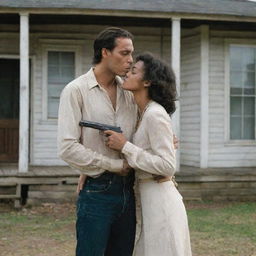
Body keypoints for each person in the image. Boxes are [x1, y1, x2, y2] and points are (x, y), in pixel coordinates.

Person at [58, 27, 138, 256]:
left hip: (129, 190)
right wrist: (112, 166)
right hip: (97, 191)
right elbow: (67, 147)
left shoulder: (130, 91)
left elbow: (140, 134)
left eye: (131, 53)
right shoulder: (75, 91)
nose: (130, 60)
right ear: (105, 52)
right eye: (124, 53)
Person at [104, 53, 192, 256]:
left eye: (134, 71)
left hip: (162, 204)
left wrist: (125, 146)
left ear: (147, 81)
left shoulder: (155, 114)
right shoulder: (143, 114)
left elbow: (167, 166)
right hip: (149, 201)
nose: (127, 73)